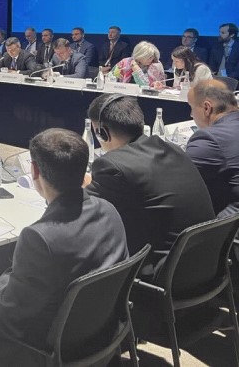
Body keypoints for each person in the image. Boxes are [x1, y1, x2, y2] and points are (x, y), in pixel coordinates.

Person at [0, 129, 128, 366]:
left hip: (46, 352)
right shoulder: (109, 211)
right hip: (103, 338)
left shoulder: (39, 238)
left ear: (35, 171)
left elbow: (6, 320)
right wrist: (5, 284)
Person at [84, 94, 215, 277]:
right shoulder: (172, 148)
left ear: (102, 133)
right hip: (210, 264)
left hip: (166, 277)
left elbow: (82, 209)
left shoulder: (112, 165)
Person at [186, 80, 239, 217]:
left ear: (207, 108)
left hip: (229, 225)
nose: (191, 114)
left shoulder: (209, 139)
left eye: (191, 107)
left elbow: (178, 180)